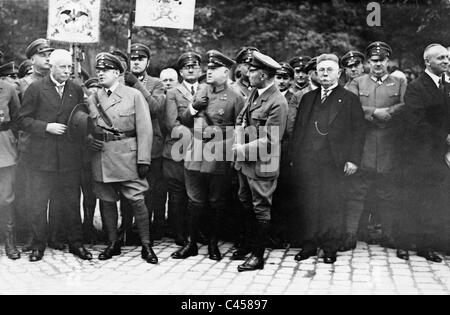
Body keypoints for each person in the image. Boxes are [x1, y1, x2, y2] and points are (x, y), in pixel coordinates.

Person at [290, 54, 366, 264]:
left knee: (332, 202)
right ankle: (309, 244)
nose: (324, 73)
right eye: (321, 70)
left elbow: (359, 132)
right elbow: (299, 130)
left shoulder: (349, 98)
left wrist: (353, 160)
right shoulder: (308, 98)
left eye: (329, 70)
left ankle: (330, 246)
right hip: (309, 160)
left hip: (335, 161)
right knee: (310, 201)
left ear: (339, 73)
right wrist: (295, 157)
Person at [17, 49, 92, 262]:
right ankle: (38, 246)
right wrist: (46, 126)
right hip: (41, 158)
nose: (67, 71)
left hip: (68, 158)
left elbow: (79, 116)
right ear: (52, 66)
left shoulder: (76, 89)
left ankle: (76, 243)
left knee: (70, 201)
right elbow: (22, 120)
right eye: (63, 67)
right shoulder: (36, 89)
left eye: (70, 67)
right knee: (39, 203)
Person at [172, 50, 244, 261]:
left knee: (216, 202)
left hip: (219, 155)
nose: (208, 71)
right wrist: (194, 108)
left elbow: (240, 128)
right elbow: (184, 120)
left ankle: (213, 244)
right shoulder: (201, 89)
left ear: (225, 71)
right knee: (194, 201)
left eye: (214, 69)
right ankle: (191, 243)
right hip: (195, 153)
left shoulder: (235, 97)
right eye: (208, 68)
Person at [86, 52, 158, 264]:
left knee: (137, 200)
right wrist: (89, 139)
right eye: (98, 70)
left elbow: (145, 129)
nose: (100, 74)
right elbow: (86, 125)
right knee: (106, 201)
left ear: (117, 73)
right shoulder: (93, 98)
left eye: (106, 70)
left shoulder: (133, 95)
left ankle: (146, 244)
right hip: (101, 155)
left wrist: (144, 159)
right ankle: (112, 242)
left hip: (128, 155)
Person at [344, 42, 407, 252]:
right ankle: (350, 235)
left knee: (387, 191)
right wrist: (374, 112)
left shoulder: (398, 82)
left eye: (381, 60)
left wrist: (390, 110)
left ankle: (388, 235)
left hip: (389, 146)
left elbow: (405, 105)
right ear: (368, 62)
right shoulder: (357, 82)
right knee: (357, 191)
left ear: (388, 61)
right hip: (363, 144)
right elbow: (350, 106)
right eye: (373, 60)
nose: (377, 64)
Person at [233, 51, 288, 272]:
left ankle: (258, 256)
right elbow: (240, 119)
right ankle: (248, 245)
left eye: (253, 70)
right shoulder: (255, 92)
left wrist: (240, 148)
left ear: (264, 75)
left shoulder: (277, 102)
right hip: (246, 163)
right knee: (245, 203)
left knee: (261, 209)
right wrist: (238, 139)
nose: (249, 73)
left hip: (263, 163)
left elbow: (270, 140)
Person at [397, 44, 450, 263]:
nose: (446, 61)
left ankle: (434, 240)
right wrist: (444, 137)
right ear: (427, 61)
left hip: (441, 153)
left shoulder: (447, 86)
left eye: (447, 57)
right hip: (420, 153)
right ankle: (416, 244)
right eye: (440, 58)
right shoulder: (416, 87)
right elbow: (416, 122)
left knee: (437, 197)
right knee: (418, 197)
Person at [129, 43, 167, 241]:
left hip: (152, 144)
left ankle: (150, 228)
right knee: (128, 188)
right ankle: (127, 228)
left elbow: (156, 108)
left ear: (147, 62)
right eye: (133, 59)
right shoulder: (121, 81)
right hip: (128, 144)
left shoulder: (156, 84)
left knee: (151, 189)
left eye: (140, 59)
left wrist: (136, 84)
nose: (136, 62)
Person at [164, 52, 202, 247]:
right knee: (177, 194)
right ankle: (179, 233)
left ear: (200, 70)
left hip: (203, 149)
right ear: (181, 71)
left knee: (196, 192)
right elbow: (172, 123)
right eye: (186, 67)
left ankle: (195, 232)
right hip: (179, 150)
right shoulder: (173, 93)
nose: (190, 69)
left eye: (194, 66)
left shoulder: (206, 90)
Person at [271, 61, 303, 248]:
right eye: (278, 77)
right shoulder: (268, 96)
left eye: (285, 78)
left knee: (285, 193)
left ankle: (283, 234)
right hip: (268, 149)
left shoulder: (295, 98)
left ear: (291, 80)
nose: (281, 81)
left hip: (286, 151)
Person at [0, 76, 21, 260]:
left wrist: (12, 139)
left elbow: (17, 118)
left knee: (6, 197)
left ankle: (9, 240)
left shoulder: (8, 89)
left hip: (4, 146)